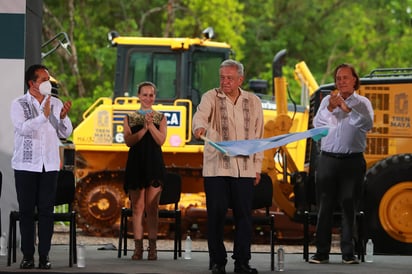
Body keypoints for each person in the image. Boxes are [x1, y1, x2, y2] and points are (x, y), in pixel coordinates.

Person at [192, 59, 264, 274]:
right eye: (222, 77)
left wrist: (257, 166)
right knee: (216, 214)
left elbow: (259, 135)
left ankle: (242, 262)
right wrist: (199, 128)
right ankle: (217, 262)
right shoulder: (210, 97)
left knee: (244, 217)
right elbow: (200, 116)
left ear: (240, 79)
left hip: (245, 168)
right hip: (216, 169)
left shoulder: (253, 101)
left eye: (230, 78)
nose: (225, 82)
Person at [310, 63, 374, 264]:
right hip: (328, 159)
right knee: (324, 207)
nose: (341, 81)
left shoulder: (363, 102)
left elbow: (367, 124)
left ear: (355, 80)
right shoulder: (328, 101)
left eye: (346, 77)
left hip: (352, 162)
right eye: (338, 78)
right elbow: (317, 126)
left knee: (349, 206)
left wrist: (347, 110)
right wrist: (329, 108)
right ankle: (321, 252)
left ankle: (348, 253)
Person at [10, 64, 73, 269]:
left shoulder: (55, 102)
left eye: (48, 79)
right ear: (32, 83)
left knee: (47, 211)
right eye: (44, 79)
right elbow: (23, 129)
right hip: (26, 165)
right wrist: (42, 117)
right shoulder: (19, 104)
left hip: (50, 165)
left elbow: (64, 133)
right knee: (27, 211)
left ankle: (44, 255)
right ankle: (28, 255)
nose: (48, 83)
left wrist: (62, 118)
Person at [123, 81, 167, 261]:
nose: (148, 98)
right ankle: (138, 248)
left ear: (154, 97)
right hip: (136, 163)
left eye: (151, 95)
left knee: (152, 207)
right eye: (145, 94)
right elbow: (129, 141)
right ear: (139, 96)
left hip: (154, 163)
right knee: (137, 207)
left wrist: (151, 128)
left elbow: (161, 141)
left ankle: (153, 248)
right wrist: (143, 129)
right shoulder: (129, 117)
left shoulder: (161, 117)